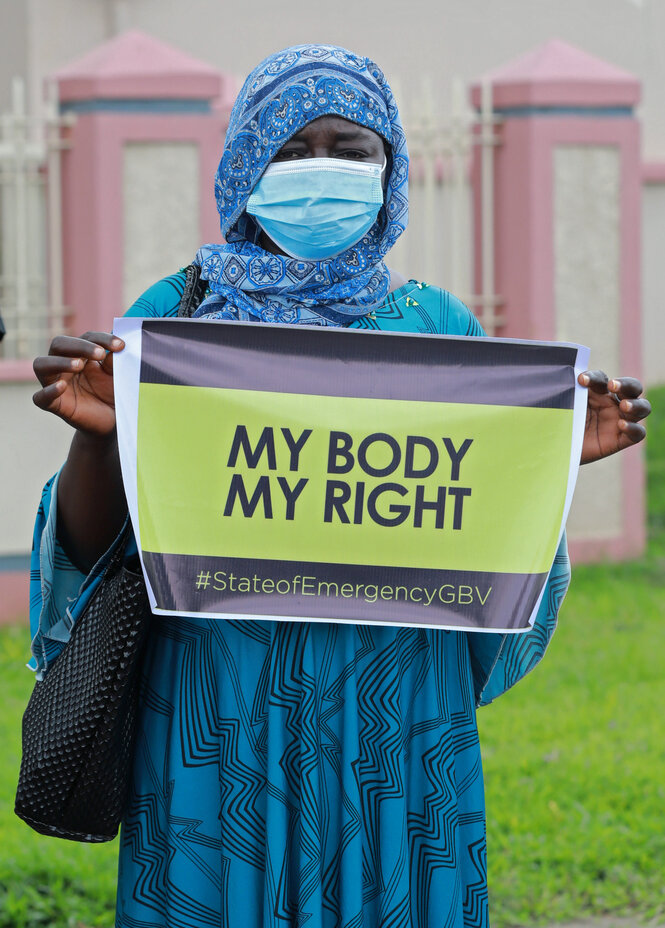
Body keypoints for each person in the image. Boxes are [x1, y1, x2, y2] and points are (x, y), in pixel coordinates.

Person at [30, 44, 650, 928]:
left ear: (390, 167)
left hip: (397, 714)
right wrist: (94, 441)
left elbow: (479, 527)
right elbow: (98, 551)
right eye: (291, 148)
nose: (322, 168)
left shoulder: (438, 330)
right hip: (221, 715)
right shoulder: (174, 322)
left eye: (350, 148)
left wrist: (549, 457)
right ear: (246, 161)